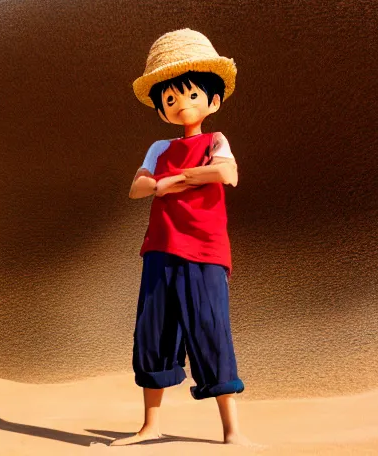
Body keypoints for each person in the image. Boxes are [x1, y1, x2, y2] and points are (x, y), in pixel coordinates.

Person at [111, 28, 252, 446]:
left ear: (213, 100)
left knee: (210, 330)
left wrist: (173, 180)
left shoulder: (216, 140)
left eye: (190, 95)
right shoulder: (158, 146)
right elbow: (137, 187)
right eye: (170, 99)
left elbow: (227, 174)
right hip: (159, 248)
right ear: (160, 108)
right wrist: (166, 184)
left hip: (206, 250)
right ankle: (149, 426)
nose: (180, 104)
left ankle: (232, 433)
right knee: (152, 333)